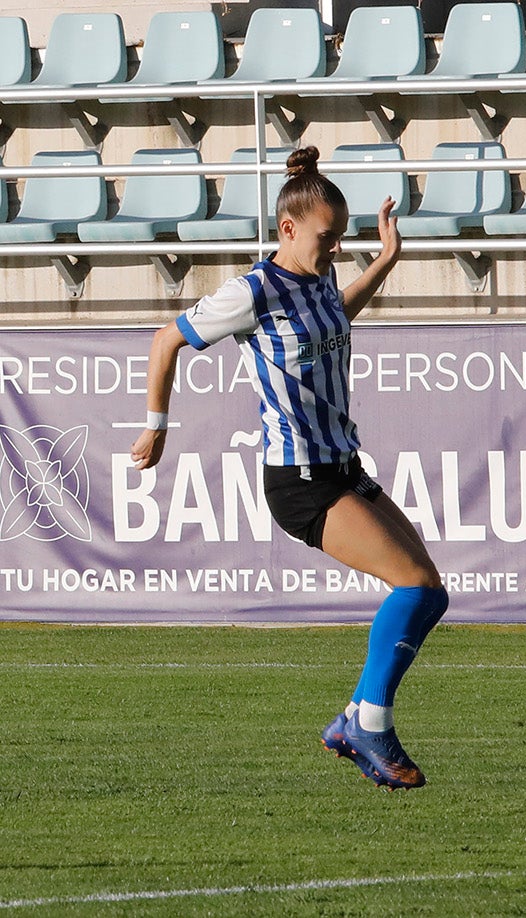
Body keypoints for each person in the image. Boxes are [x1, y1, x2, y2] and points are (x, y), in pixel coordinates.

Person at [131, 146, 448, 791]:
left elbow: (333, 319)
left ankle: (355, 722)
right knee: (412, 586)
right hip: (299, 480)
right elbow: (166, 341)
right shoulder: (253, 290)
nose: (335, 249)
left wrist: (383, 262)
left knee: (430, 591)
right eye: (327, 238)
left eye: (340, 239)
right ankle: (369, 722)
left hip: (342, 464)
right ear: (287, 229)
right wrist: (157, 425)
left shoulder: (321, 279)